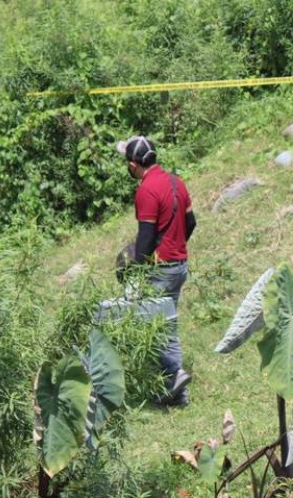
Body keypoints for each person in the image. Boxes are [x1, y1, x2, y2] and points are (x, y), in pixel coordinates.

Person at [116, 135, 197, 407]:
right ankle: (177, 392)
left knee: (152, 326)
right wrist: (176, 244)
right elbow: (191, 222)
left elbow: (146, 238)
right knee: (166, 323)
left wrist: (135, 272)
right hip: (180, 266)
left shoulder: (146, 190)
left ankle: (174, 375)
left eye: (127, 162)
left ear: (134, 164)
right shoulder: (176, 182)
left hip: (160, 270)